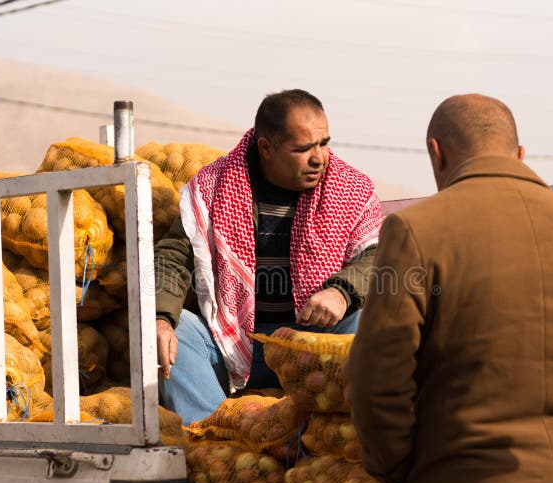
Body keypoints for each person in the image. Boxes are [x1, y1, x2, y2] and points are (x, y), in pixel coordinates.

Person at [344, 93, 553, 483]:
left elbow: (376, 381)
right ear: (520, 155)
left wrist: (402, 471)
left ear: (435, 153)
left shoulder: (413, 231)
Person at [154, 89, 383, 424]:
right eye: (303, 149)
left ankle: (359, 434)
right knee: (172, 332)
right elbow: (174, 255)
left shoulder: (351, 189)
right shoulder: (215, 186)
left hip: (313, 345)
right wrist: (162, 318)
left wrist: (341, 291)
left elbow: (379, 254)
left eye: (323, 143)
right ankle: (217, 437)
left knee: (367, 323)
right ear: (266, 148)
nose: (319, 157)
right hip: (232, 344)